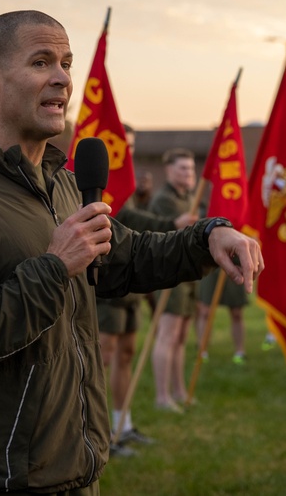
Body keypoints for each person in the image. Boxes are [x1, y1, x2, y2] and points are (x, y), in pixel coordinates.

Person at [0, 9, 262, 496]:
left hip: (74, 471)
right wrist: (53, 268)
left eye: (67, 62)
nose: (63, 78)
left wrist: (207, 236)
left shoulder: (63, 184)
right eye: (42, 62)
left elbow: (126, 259)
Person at [96, 124, 197, 457]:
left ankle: (121, 424)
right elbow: (125, 219)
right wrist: (171, 226)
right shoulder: (97, 180)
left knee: (126, 354)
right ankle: (96, 434)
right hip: (105, 282)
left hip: (129, 283)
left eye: (133, 145)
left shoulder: (125, 181)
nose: (129, 150)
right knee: (103, 356)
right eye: (123, 144)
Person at [149, 148, 201, 413]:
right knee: (167, 335)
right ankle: (162, 396)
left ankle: (179, 390)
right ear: (169, 171)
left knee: (181, 335)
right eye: (183, 168)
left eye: (191, 169)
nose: (188, 173)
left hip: (187, 273)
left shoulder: (191, 197)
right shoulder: (164, 200)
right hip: (169, 273)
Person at [196, 268, 249, 364]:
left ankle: (239, 352)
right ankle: (202, 350)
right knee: (205, 311)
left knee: (236, 312)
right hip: (211, 263)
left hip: (233, 264)